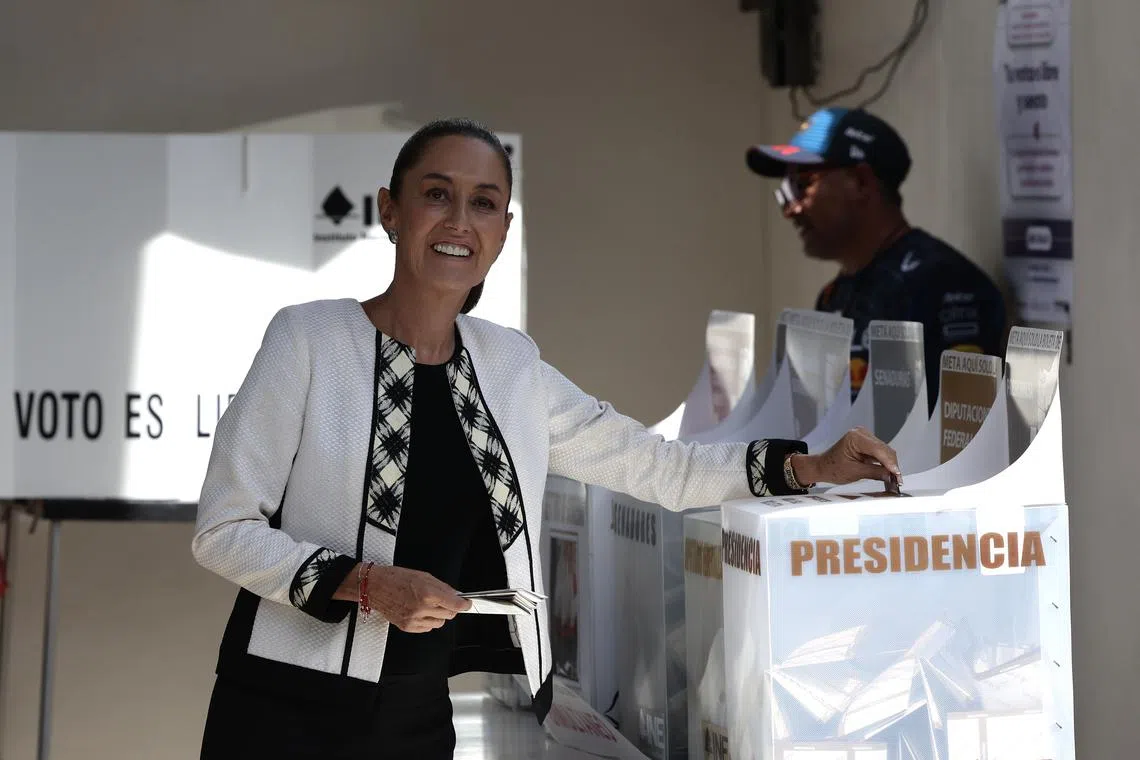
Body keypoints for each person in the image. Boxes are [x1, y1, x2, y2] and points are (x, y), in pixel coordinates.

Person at [191, 116, 902, 760]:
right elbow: (222, 529)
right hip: (285, 709)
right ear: (391, 211)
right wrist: (369, 585)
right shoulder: (309, 339)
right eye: (436, 194)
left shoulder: (511, 367)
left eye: (484, 202)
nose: (459, 220)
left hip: (415, 717)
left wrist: (805, 468)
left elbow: (657, 468)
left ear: (503, 228)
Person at [746, 107, 1007, 414]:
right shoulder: (833, 297)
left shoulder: (943, 283)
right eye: (785, 193)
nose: (791, 210)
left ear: (861, 182)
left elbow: (959, 438)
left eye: (802, 186)